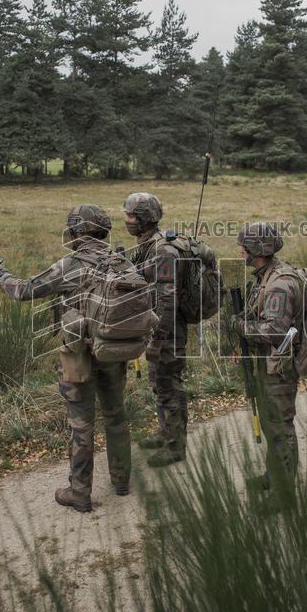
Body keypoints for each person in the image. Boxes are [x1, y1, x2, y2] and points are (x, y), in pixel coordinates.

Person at [0, 204, 130, 513]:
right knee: (116, 417)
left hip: (80, 357)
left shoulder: (70, 265)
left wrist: (0, 272)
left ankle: (79, 493)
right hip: (115, 352)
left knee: (81, 425)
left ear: (77, 232)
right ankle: (122, 480)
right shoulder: (122, 263)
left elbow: (24, 291)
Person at [229, 222, 303, 511]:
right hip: (268, 363)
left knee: (280, 427)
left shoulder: (278, 285)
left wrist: (240, 326)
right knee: (273, 425)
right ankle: (273, 476)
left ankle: (284, 495)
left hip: (279, 368)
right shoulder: (265, 276)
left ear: (257, 251)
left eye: (243, 246)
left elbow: (273, 330)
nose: (240, 250)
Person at [123, 192, 189, 467]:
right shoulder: (146, 245)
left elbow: (167, 298)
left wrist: (157, 338)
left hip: (167, 328)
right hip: (157, 326)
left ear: (143, 219)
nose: (126, 220)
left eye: (130, 216)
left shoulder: (162, 250)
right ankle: (165, 430)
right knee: (158, 383)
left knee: (169, 384)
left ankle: (176, 446)